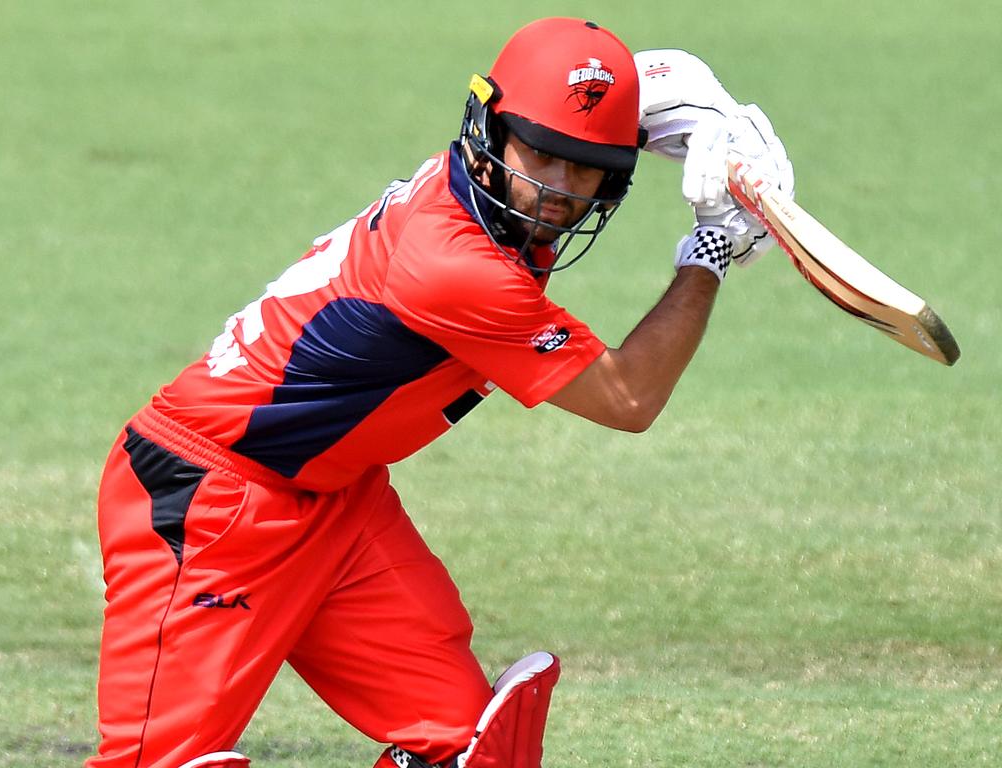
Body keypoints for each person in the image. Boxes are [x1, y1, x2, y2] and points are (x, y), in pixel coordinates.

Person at [87, 17, 793, 768]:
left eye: (587, 168)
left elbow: (581, 101)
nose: (557, 191)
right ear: (490, 131)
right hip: (209, 500)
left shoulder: (487, 183)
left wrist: (661, 98)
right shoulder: (454, 267)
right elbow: (629, 399)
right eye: (545, 158)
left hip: (335, 501)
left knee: (473, 750)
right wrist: (711, 243)